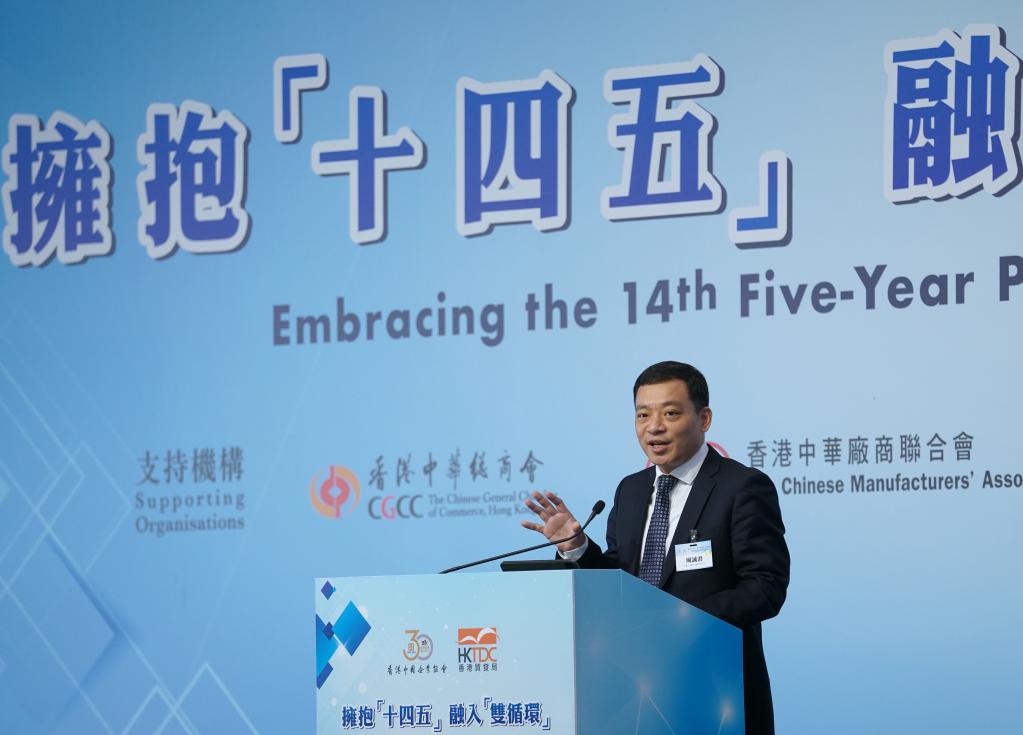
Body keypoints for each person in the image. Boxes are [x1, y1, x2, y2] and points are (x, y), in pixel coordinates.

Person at [522, 361, 789, 735]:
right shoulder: (631, 490)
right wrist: (578, 547)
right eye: (642, 414)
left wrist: (673, 621)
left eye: (671, 413)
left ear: (704, 418)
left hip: (716, 693)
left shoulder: (741, 487)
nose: (654, 426)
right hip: (633, 694)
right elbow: (620, 583)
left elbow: (765, 587)